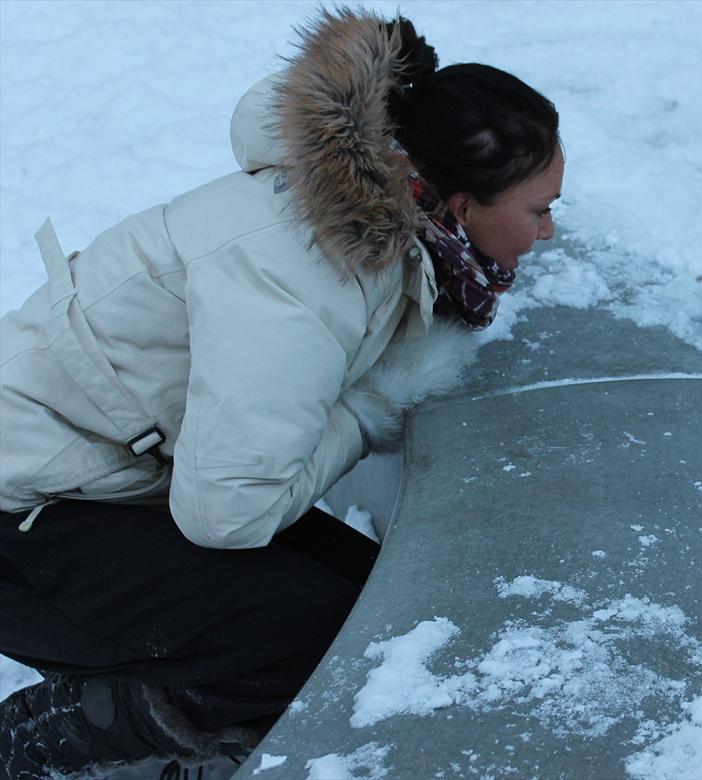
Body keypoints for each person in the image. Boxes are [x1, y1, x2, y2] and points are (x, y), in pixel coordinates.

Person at [0, 7, 563, 778]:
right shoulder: (305, 268)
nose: (550, 233)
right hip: (21, 514)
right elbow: (228, 512)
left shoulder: (361, 226)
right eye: (540, 210)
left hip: (95, 475)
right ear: (459, 208)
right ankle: (61, 730)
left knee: (371, 606)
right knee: (315, 637)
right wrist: (370, 406)